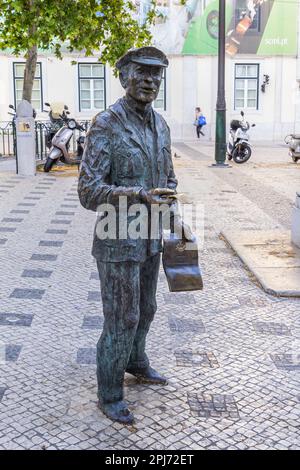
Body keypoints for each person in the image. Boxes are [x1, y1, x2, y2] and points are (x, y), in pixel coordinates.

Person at [78, 46, 187, 425]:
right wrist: (137, 194)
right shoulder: (105, 124)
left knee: (148, 309)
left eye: (156, 75)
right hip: (117, 238)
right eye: (141, 72)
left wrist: (173, 209)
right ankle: (109, 393)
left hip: (150, 235)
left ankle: (137, 362)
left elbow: (168, 177)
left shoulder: (161, 125)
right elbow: (88, 192)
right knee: (122, 318)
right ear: (123, 76)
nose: (150, 81)